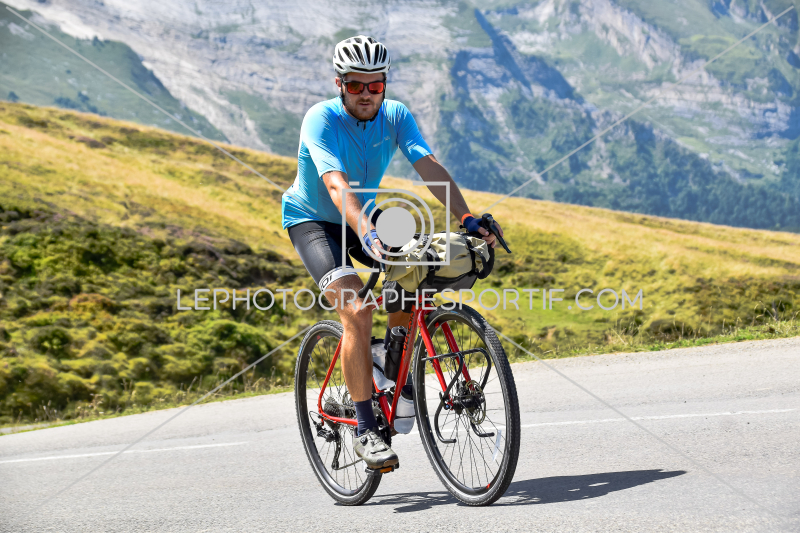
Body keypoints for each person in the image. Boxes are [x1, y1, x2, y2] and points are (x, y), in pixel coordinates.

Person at [282, 35, 503, 470]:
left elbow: (429, 167)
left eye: (375, 85)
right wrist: (365, 232)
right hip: (314, 221)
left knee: (418, 269)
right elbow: (335, 185)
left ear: (384, 83)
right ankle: (366, 430)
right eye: (355, 85)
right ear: (339, 84)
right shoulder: (321, 119)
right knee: (357, 311)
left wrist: (466, 217)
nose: (365, 94)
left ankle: (393, 368)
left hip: (364, 212)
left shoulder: (396, 115)